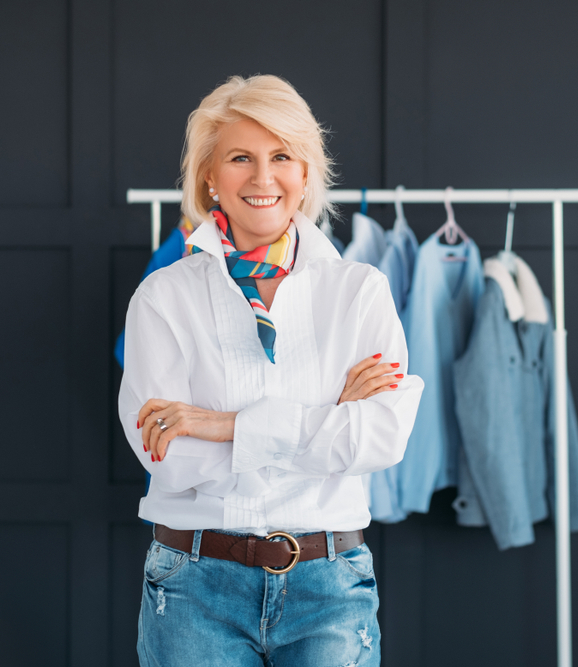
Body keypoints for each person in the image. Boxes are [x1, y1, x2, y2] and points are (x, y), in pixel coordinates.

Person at [118, 74, 424, 666]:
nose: (263, 178)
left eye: (282, 156)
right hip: (193, 587)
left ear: (306, 172)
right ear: (209, 174)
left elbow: (381, 437)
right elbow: (172, 458)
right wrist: (327, 420)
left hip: (330, 588)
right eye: (240, 158)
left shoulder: (360, 291)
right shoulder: (161, 298)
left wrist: (223, 424)